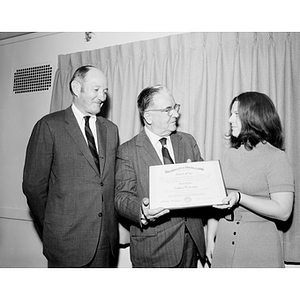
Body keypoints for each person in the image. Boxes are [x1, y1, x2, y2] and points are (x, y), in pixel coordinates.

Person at [22, 65, 119, 267]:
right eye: (96, 89)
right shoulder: (49, 126)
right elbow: (34, 187)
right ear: (76, 88)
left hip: (104, 242)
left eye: (105, 91)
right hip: (65, 242)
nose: (102, 96)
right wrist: (53, 228)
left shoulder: (110, 130)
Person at [114, 85, 206, 267]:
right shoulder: (128, 151)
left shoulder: (187, 142)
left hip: (191, 243)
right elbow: (121, 197)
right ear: (148, 116)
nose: (176, 114)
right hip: (154, 249)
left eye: (175, 107)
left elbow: (204, 186)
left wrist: (199, 180)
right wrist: (141, 210)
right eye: (167, 110)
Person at [206, 91, 294, 268]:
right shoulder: (228, 155)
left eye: (236, 114)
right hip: (223, 244)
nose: (230, 119)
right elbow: (217, 202)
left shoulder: (276, 158)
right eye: (230, 114)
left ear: (253, 117)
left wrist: (240, 197)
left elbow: (284, 211)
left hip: (259, 248)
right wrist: (210, 240)